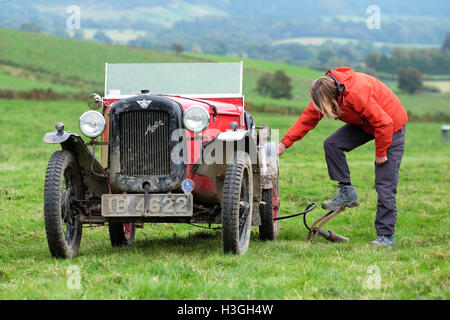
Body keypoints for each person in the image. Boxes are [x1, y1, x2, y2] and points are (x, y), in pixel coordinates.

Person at [278, 67, 408, 246]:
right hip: (365, 124)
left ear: (333, 98)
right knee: (332, 144)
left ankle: (385, 236)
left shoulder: (356, 93)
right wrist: (284, 144)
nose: (324, 111)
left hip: (391, 125)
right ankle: (347, 192)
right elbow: (307, 119)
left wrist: (381, 153)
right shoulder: (326, 93)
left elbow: (384, 122)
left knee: (384, 183)